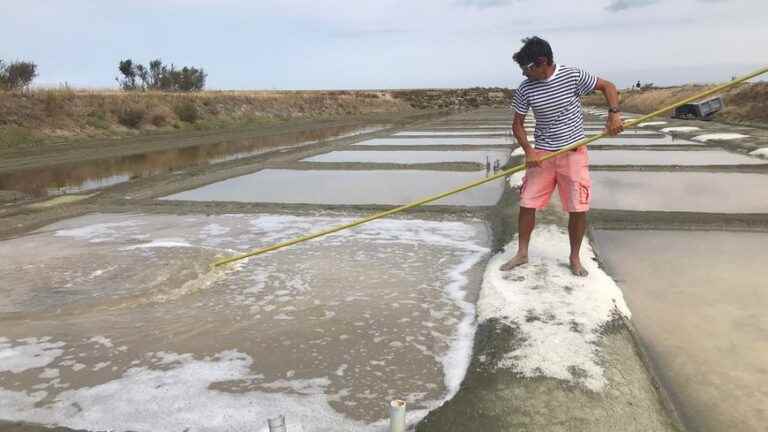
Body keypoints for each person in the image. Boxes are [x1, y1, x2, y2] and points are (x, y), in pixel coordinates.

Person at [500, 36, 623, 276]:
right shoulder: (525, 89)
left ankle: (575, 258)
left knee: (578, 208)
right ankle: (522, 253)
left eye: (527, 68)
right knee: (527, 204)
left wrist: (614, 115)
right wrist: (529, 151)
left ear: (542, 61)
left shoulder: (572, 76)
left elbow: (608, 86)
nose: (524, 74)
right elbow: (517, 125)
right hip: (543, 155)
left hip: (574, 153)